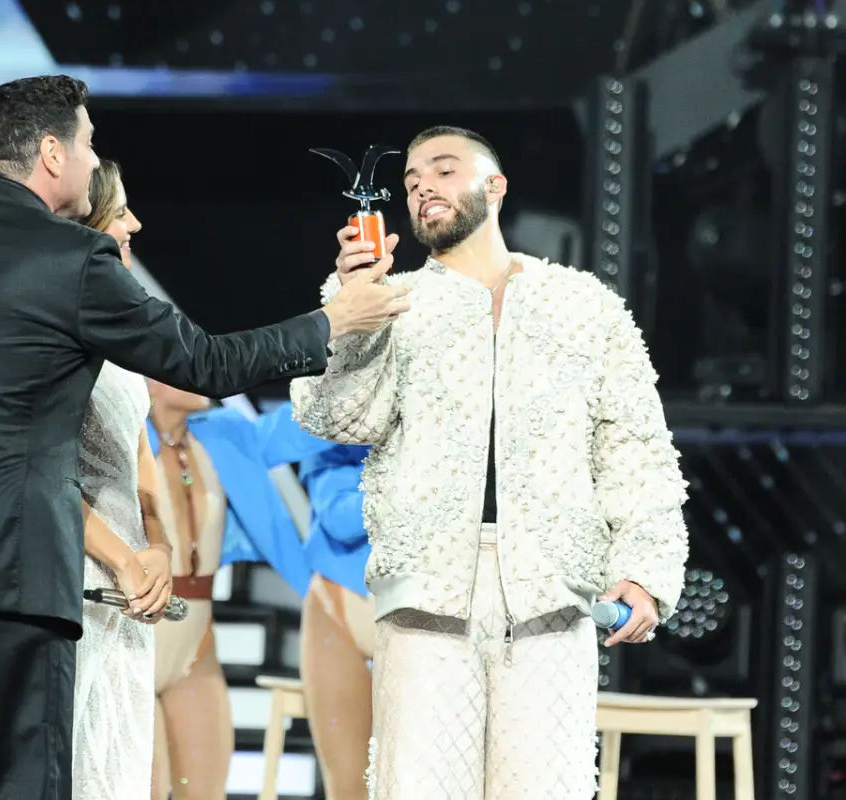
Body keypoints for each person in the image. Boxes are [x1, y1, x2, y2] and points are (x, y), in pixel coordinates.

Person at [0, 74, 411, 800]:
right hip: (16, 576)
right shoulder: (72, 261)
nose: (97, 162)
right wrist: (335, 321)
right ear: (52, 154)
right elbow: (205, 362)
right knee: (31, 783)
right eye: (90, 144)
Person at [290, 125, 689, 799]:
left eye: (443, 170)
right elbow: (336, 417)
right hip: (426, 598)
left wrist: (646, 570)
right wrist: (351, 308)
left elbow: (635, 446)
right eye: (413, 181)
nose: (423, 188)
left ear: (494, 187)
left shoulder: (583, 307)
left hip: (552, 595)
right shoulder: (395, 304)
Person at [0, 159, 168, 800]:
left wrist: (157, 546)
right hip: (70, 581)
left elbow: (141, 449)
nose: (135, 223)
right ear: (84, 228)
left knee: (119, 773)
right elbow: (40, 467)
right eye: (121, 213)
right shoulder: (50, 330)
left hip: (131, 585)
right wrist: (123, 559)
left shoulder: (126, 322)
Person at [144, 387, 334, 800]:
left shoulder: (223, 434)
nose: (202, 375)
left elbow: (303, 429)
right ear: (152, 376)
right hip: (135, 639)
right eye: (185, 362)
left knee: (207, 790)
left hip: (195, 642)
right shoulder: (123, 437)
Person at [297, 443, 374, 800]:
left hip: (421, 612)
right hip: (339, 604)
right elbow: (341, 521)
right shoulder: (330, 440)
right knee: (347, 786)